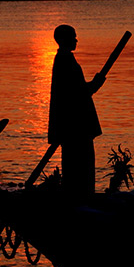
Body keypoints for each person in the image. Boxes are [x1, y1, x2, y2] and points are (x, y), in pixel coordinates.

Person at [48, 25, 105, 200]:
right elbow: (77, 93)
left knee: (79, 169)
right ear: (64, 39)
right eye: (73, 37)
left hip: (73, 128)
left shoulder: (64, 60)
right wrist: (95, 84)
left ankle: (79, 198)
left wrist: (93, 85)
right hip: (76, 128)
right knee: (81, 169)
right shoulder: (64, 61)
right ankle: (80, 201)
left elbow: (77, 91)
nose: (76, 40)